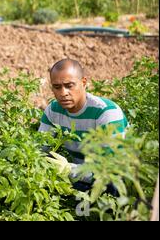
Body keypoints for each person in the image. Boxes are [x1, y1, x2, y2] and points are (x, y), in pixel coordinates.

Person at [39, 58, 128, 191]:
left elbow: (110, 170)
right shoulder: (53, 111)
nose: (63, 93)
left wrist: (68, 169)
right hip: (80, 175)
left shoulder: (107, 113)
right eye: (57, 87)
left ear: (83, 82)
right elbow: (40, 150)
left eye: (69, 85)